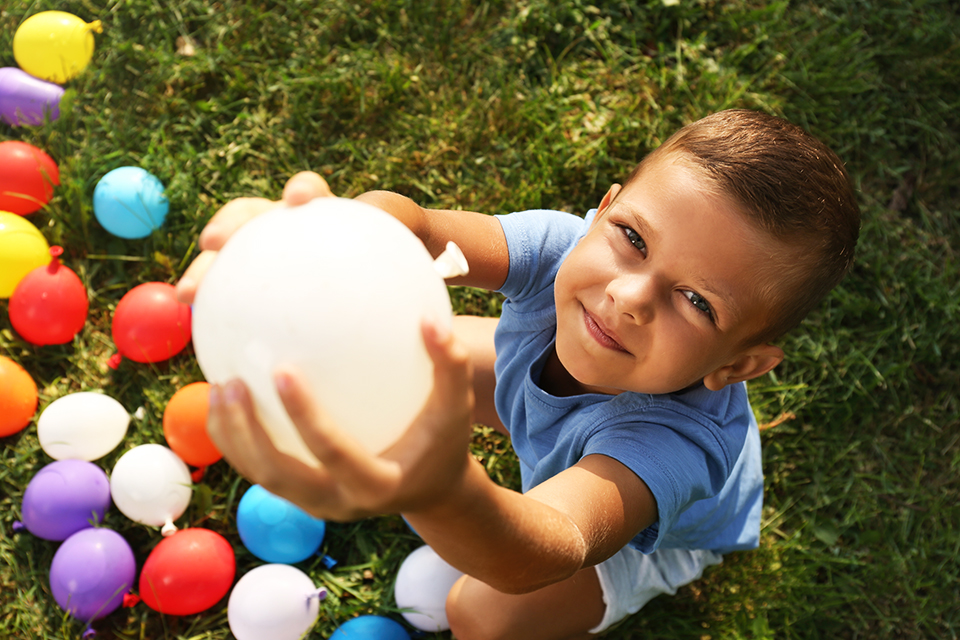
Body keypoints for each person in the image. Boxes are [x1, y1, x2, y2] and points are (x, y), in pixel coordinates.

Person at [176, 109, 859, 640]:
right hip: (552, 413)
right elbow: (414, 229)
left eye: (697, 301)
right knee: (415, 351)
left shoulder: (676, 441)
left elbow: (546, 549)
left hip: (645, 539)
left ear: (738, 365)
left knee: (478, 612)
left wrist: (443, 487)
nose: (628, 296)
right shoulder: (567, 246)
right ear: (603, 210)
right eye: (633, 239)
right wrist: (334, 235)